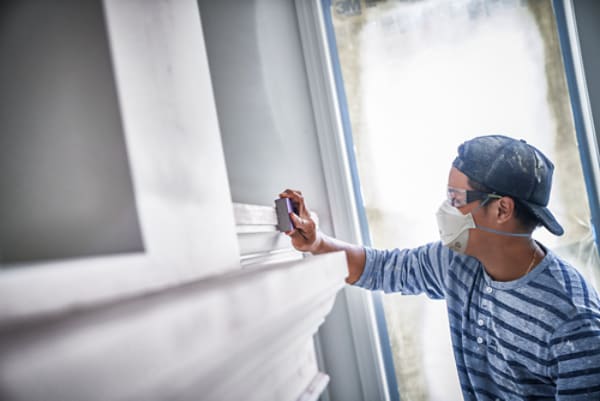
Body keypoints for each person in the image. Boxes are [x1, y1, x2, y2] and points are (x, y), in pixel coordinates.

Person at [279, 134, 600, 400]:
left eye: (456, 199)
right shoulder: (458, 262)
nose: (445, 210)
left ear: (502, 208)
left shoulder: (572, 322)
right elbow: (382, 268)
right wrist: (316, 243)